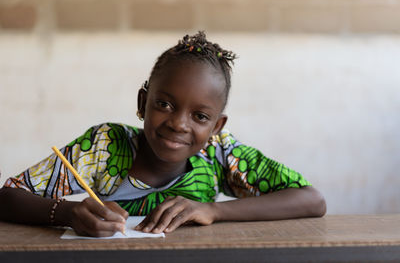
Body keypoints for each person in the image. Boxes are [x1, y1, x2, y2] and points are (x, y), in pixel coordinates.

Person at [0, 32, 326, 237]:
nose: (179, 124)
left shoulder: (219, 153)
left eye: (199, 116)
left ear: (216, 128)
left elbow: (312, 200)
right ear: (143, 102)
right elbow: (8, 197)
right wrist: (69, 213)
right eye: (165, 104)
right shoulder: (104, 145)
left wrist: (215, 210)